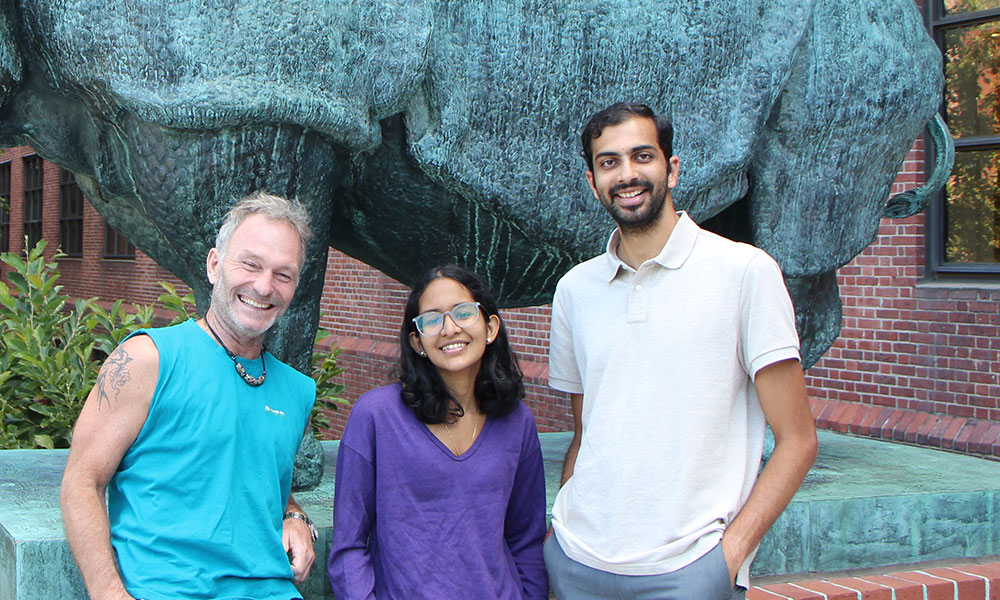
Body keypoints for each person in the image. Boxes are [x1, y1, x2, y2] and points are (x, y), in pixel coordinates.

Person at [544, 102, 819, 599]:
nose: (626, 175)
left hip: (688, 572)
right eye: (609, 162)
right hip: (576, 563)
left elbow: (797, 441)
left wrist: (727, 558)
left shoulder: (745, 273)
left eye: (642, 156)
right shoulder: (574, 291)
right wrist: (559, 535)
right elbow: (587, 431)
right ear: (592, 181)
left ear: (671, 169)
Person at [61, 191, 319, 600]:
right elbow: (82, 481)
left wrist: (295, 513)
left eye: (283, 274)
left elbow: (250, 474)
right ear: (214, 265)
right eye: (250, 264)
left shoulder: (298, 391)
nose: (264, 285)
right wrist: (110, 594)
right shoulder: (147, 359)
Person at [328, 265, 548, 599]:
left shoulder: (518, 422)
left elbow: (526, 540)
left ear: (490, 327)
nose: (449, 328)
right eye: (431, 320)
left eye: (463, 313)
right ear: (417, 341)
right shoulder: (376, 417)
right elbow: (349, 546)